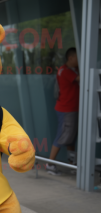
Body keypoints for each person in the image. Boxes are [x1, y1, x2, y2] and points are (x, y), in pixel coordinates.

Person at [46, 47, 80, 175]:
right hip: (67, 110)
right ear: (70, 58)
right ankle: (50, 164)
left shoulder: (71, 70)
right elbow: (80, 79)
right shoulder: (65, 71)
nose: (79, 60)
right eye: (77, 57)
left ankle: (72, 164)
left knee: (70, 138)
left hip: (70, 109)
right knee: (62, 136)